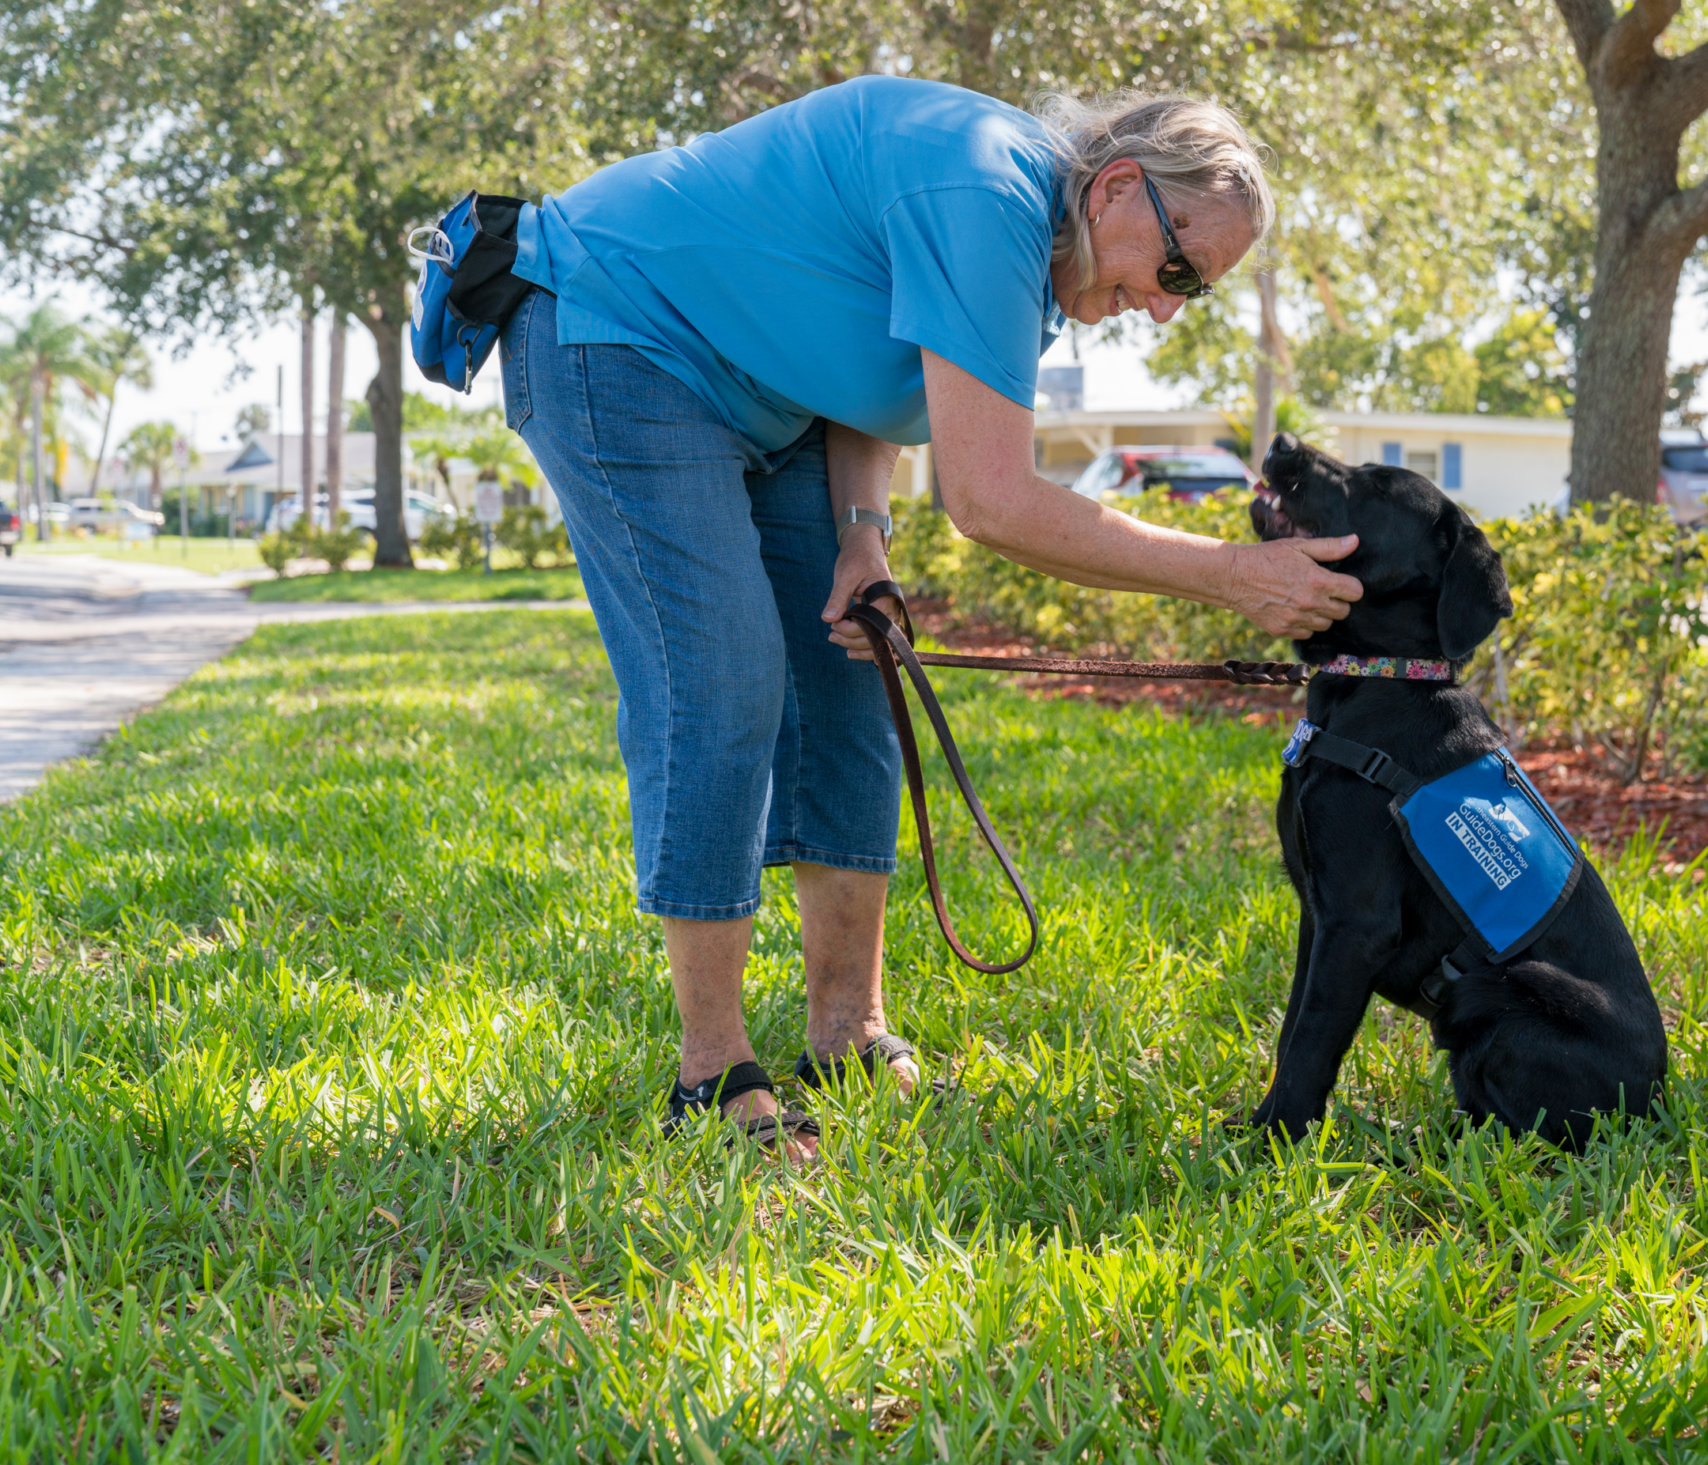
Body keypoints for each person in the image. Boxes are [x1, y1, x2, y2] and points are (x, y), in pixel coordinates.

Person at [500, 78, 1362, 1161]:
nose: (1168, 305)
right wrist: (1234, 572)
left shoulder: (1041, 257)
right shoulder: (985, 190)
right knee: (722, 677)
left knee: (856, 662)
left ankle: (847, 1033)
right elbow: (993, 500)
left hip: (769, 401)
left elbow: (868, 369)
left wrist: (864, 530)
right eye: (1178, 268)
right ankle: (711, 1071)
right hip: (616, 333)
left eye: (1195, 291)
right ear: (1120, 189)